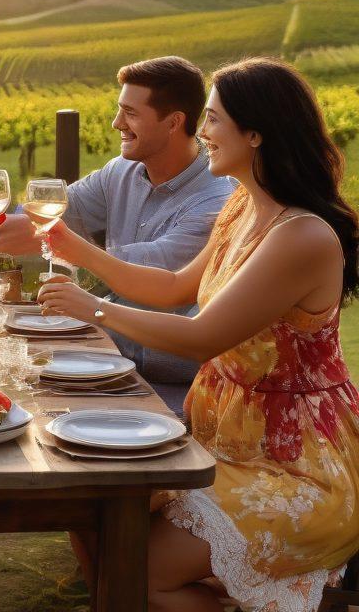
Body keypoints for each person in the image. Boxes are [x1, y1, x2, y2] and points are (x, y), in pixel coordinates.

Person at [38, 58, 359, 612]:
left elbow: (200, 337)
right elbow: (173, 286)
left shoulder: (302, 236)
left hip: (294, 467)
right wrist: (75, 249)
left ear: (255, 133)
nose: (202, 133)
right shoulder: (242, 207)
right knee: (90, 508)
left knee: (136, 571)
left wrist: (94, 310)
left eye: (212, 120)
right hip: (226, 442)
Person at [0, 56, 234, 410]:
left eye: (130, 113)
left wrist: (70, 248)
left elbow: (160, 279)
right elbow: (51, 216)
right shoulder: (121, 171)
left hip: (168, 388)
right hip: (105, 358)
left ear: (174, 122)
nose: (117, 123)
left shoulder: (216, 201)